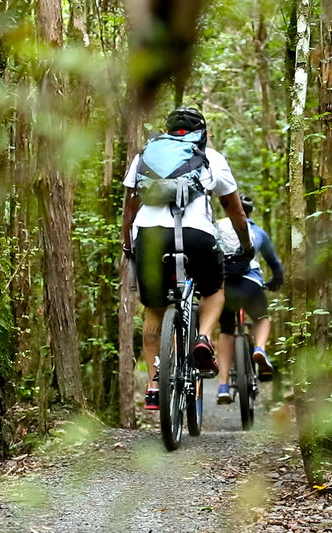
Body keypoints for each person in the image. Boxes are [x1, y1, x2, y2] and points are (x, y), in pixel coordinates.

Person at [121, 107, 254, 411]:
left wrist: (128, 245)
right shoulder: (212, 158)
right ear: (202, 131)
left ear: (167, 129)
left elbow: (130, 211)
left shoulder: (145, 155)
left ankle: (154, 385)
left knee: (154, 310)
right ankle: (203, 337)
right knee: (214, 290)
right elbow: (235, 210)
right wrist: (246, 245)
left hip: (150, 235)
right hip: (196, 234)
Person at [215, 194, 284, 404]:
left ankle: (224, 386)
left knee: (226, 331)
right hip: (250, 284)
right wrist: (275, 281)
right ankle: (260, 349)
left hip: (225, 286)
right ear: (249, 212)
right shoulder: (256, 231)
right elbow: (275, 264)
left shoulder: (218, 227)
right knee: (262, 318)